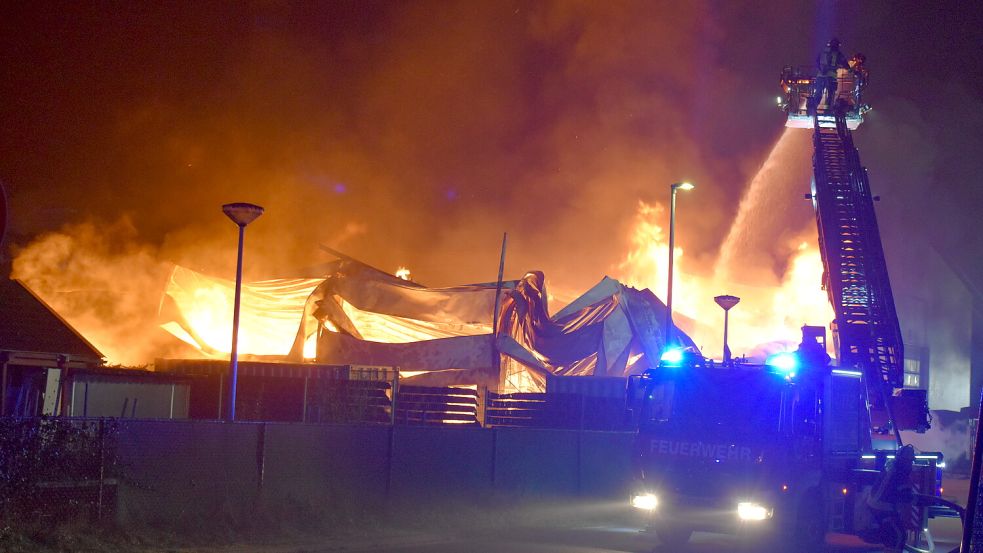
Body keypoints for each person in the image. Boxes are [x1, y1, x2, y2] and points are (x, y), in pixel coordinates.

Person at [813, 38, 849, 113]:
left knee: (818, 92)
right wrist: (852, 71)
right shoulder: (838, 54)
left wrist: (821, 70)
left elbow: (816, 62)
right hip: (831, 77)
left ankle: (813, 108)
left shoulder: (822, 52)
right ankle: (827, 111)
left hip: (820, 76)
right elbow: (845, 64)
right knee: (830, 94)